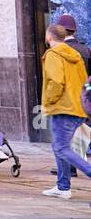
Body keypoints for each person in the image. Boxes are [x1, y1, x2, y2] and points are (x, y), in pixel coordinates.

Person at [40, 23, 91, 200]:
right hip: (77, 106)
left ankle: (80, 177)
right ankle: (63, 186)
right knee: (60, 147)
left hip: (63, 107)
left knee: (61, 148)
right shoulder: (74, 53)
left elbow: (55, 82)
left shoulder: (53, 54)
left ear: (49, 37)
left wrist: (48, 101)